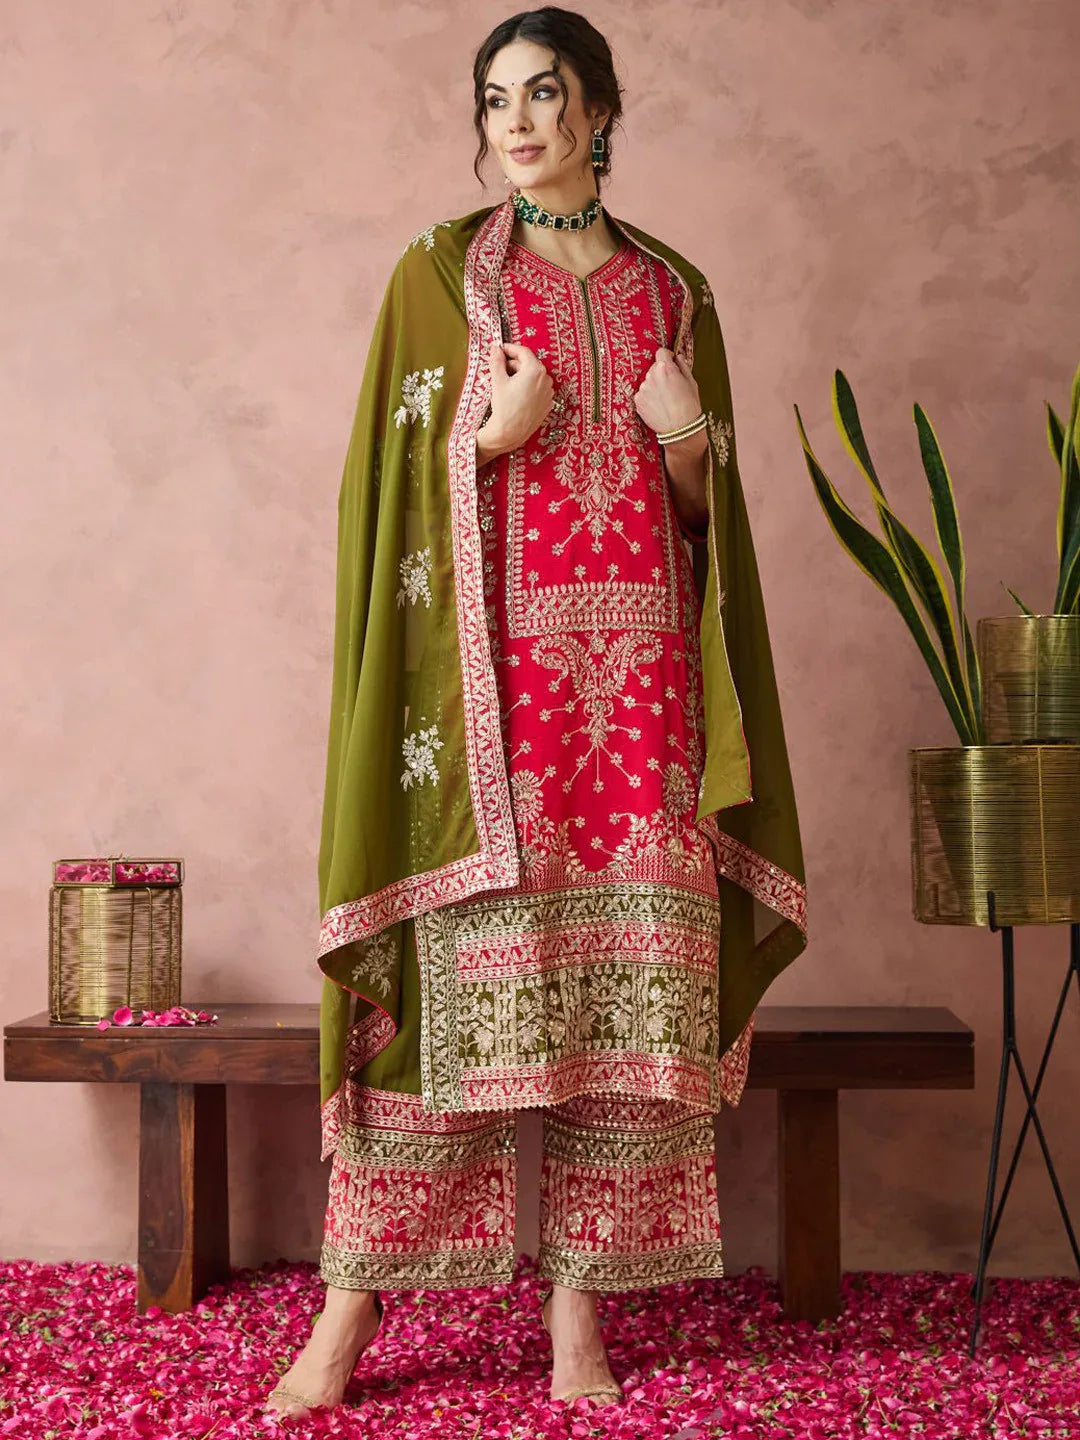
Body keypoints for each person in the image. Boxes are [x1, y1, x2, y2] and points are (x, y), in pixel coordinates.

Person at [265, 5, 807, 1419]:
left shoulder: (673, 288)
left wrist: (687, 436)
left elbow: (711, 535)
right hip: (489, 712)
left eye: (545, 93)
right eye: (495, 98)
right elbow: (377, 494)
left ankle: (581, 1315)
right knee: (450, 1019)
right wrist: (487, 441)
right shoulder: (440, 276)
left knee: (620, 1022)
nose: (516, 120)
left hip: (641, 715)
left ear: (602, 109)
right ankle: (347, 1320)